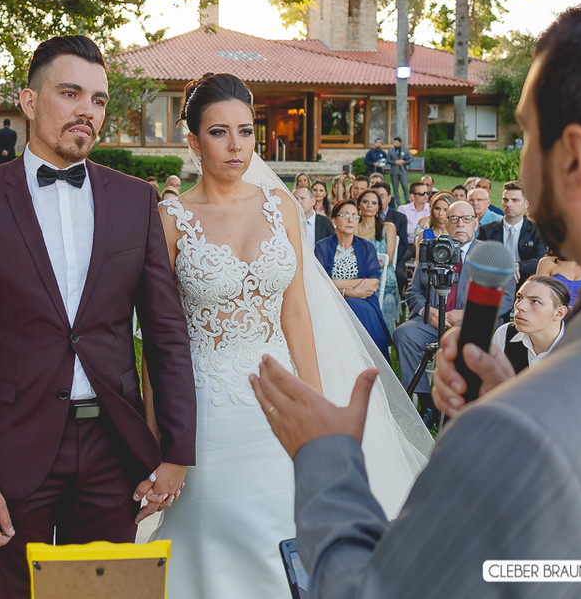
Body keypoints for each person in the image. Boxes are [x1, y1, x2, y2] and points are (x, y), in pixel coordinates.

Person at [254, 0, 581, 598]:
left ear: (574, 160)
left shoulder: (531, 434)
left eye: (523, 137)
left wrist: (325, 458)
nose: (517, 164)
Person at [0, 35, 198, 599]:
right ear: (28, 102)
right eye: (70, 93)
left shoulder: (135, 200)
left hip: (113, 446)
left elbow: (166, 334)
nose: (87, 112)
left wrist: (175, 451)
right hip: (11, 444)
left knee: (107, 595)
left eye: (98, 100)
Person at [152, 73, 430, 599]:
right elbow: (158, 338)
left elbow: (297, 313)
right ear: (192, 140)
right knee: (215, 540)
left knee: (290, 535)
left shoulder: (279, 207)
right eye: (218, 133)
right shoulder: (170, 218)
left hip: (281, 401)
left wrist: (317, 406)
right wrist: (158, 431)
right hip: (208, 407)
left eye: (245, 131)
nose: (236, 146)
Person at [394, 200, 515, 420]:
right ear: (446, 223)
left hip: (474, 324)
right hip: (432, 321)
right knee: (404, 334)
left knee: (473, 346)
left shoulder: (488, 254)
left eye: (466, 218)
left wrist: (470, 314)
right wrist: (426, 312)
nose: (460, 223)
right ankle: (427, 405)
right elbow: (413, 291)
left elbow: (507, 297)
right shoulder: (433, 251)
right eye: (454, 219)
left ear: (475, 223)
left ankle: (468, 406)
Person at [316, 199, 390, 357]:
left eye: (355, 216)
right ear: (333, 219)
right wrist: (351, 292)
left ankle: (369, 361)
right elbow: (318, 283)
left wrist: (335, 284)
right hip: (329, 300)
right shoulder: (322, 247)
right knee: (347, 307)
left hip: (364, 300)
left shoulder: (366, 247)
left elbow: (373, 282)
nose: (350, 220)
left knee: (361, 309)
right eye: (344, 215)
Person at [488, 275, 569, 374]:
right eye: (519, 298)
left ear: (559, 313)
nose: (519, 306)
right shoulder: (504, 334)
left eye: (535, 301)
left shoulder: (578, 346)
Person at [477, 180, 546, 282]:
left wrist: (517, 265)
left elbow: (540, 261)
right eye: (505, 200)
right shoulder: (486, 230)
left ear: (526, 204)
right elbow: (481, 258)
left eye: (515, 200)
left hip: (526, 281)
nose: (508, 204)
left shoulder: (537, 230)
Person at [373, 182, 409, 291]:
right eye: (376, 196)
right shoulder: (366, 217)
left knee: (400, 276)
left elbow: (403, 244)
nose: (379, 199)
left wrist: (392, 259)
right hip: (371, 258)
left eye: (382, 196)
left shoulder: (399, 217)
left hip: (394, 258)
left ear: (389, 198)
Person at [293, 185, 335, 251]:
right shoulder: (290, 224)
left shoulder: (325, 223)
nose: (298, 202)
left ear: (313, 201)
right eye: (296, 199)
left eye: (302, 198)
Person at [386, 137, 411, 201]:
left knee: (405, 187)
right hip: (394, 171)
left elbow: (411, 158)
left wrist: (404, 161)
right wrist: (395, 162)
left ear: (400, 143)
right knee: (395, 188)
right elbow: (388, 160)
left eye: (397, 143)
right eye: (394, 143)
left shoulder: (405, 150)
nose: (395, 144)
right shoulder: (390, 151)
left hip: (403, 171)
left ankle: (407, 201)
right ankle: (397, 202)